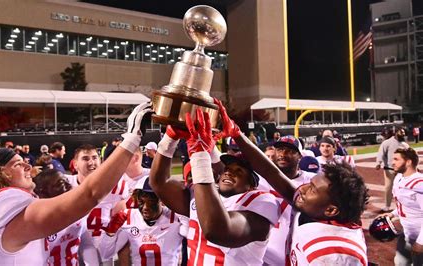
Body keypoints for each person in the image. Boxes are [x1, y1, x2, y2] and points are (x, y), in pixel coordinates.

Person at [0, 102, 152, 264]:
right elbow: (90, 194)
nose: (28, 167)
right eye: (18, 164)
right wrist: (132, 138)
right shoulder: (1, 201)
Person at [214, 99, 369, 265]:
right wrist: (236, 134)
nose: (302, 188)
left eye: (312, 189)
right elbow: (270, 172)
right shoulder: (317, 210)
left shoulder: (333, 252)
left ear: (331, 210)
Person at [149, 110, 281, 265]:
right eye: (227, 169)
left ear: (251, 184)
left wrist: (199, 156)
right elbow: (158, 183)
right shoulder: (202, 194)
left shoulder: (261, 202)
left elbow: (217, 230)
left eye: (238, 171)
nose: (229, 173)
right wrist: (169, 139)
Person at [100, 177, 183, 265]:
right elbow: (105, 254)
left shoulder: (176, 216)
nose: (145, 207)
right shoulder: (128, 217)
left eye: (151, 201)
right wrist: (110, 233)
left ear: (161, 201)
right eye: (141, 202)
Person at [261, 135, 316, 265]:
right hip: (266, 254)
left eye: (290, 151)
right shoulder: (259, 179)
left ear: (300, 156)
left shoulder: (313, 181)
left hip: (299, 250)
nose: (283, 154)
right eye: (280, 150)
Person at [32, 169, 98, 265]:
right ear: (43, 192)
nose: (69, 185)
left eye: (67, 180)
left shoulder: (77, 212)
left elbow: (87, 245)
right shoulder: (35, 220)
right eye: (60, 183)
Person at [379, 148, 423, 265]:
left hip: (420, 236)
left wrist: (420, 242)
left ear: (408, 162)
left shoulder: (419, 184)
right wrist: (393, 213)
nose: (392, 162)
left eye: (396, 159)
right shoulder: (399, 178)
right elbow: (405, 203)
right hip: (408, 233)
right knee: (400, 262)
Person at [376, 127, 409, 212]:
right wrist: (378, 163)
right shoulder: (387, 143)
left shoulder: (405, 145)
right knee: (388, 187)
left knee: (402, 188)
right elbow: (381, 153)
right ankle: (387, 205)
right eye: (401, 133)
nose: (403, 135)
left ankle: (402, 205)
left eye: (404, 134)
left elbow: (410, 157)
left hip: (401, 170)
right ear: (396, 132)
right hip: (389, 169)